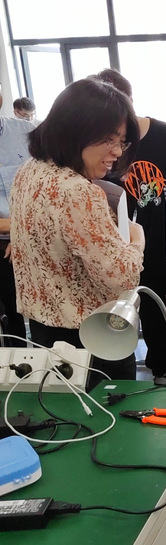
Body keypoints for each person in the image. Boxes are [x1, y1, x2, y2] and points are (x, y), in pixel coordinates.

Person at [10, 78, 144, 385]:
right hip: (94, 337)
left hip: (44, 330)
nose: (117, 152)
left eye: (122, 142)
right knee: (110, 410)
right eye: (109, 140)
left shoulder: (29, 171)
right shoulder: (78, 192)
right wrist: (137, 239)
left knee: (63, 407)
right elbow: (122, 276)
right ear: (76, 130)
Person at [94, 69, 166, 378]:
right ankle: (162, 372)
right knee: (153, 321)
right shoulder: (104, 148)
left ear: (130, 100)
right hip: (138, 253)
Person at [0, 115, 31, 345]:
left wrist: (20, 231)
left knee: (17, 313)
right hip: (12, 234)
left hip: (22, 242)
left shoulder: (27, 132)